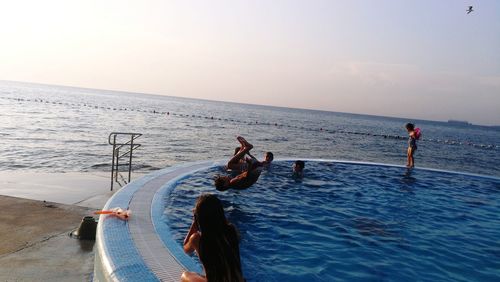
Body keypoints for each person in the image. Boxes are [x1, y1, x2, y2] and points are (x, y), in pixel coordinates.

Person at [181, 194, 244, 282]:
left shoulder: (197, 239)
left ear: (199, 216)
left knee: (185, 275)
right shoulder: (232, 231)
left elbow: (186, 249)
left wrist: (194, 223)